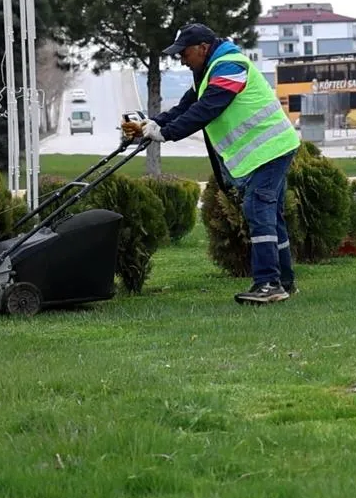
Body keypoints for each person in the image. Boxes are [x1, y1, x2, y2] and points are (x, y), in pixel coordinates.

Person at [121, 23, 301, 305]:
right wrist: (154, 123)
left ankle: (269, 283)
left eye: (184, 52)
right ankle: (284, 282)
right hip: (267, 151)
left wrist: (166, 134)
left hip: (271, 149)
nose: (180, 58)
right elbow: (186, 107)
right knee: (271, 215)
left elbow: (208, 109)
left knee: (258, 208)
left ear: (203, 48)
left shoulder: (230, 65)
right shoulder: (206, 71)